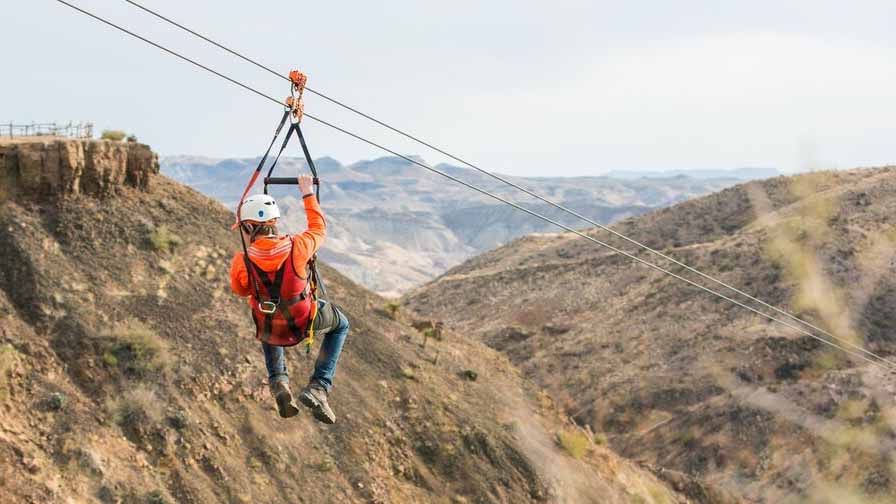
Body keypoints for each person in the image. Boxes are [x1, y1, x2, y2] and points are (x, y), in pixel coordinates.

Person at [229, 174, 349, 423]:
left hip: (272, 326)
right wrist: (307, 192)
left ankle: (279, 383)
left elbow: (240, 291)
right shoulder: (299, 246)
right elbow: (318, 227)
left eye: (243, 228)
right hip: (304, 320)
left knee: (267, 318)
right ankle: (319, 387)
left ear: (249, 227)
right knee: (341, 325)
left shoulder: (242, 261)